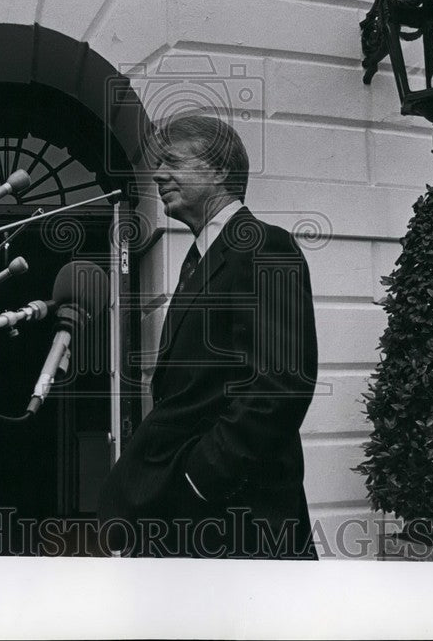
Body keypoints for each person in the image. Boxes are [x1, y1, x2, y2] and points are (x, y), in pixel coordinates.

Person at [97, 115, 318, 559]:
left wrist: (198, 480)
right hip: (197, 522)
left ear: (219, 170)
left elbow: (281, 384)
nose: (159, 175)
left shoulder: (263, 245)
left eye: (173, 162)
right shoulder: (199, 259)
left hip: (237, 519)